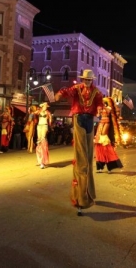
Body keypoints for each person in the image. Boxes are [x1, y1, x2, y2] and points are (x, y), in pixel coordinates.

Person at [54, 69, 104, 216]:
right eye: (85, 80)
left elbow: (100, 103)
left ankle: (89, 193)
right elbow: (66, 91)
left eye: (89, 80)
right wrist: (58, 95)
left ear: (92, 81)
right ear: (82, 80)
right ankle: (81, 198)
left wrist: (100, 110)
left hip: (89, 120)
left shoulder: (96, 91)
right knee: (82, 158)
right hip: (79, 118)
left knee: (88, 156)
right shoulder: (76, 89)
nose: (87, 82)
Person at [94, 97, 123, 173]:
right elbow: (97, 115)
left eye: (103, 102)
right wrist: (98, 110)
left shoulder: (108, 108)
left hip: (107, 122)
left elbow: (112, 114)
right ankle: (100, 167)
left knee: (104, 139)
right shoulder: (100, 108)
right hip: (101, 123)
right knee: (99, 147)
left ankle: (110, 167)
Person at [35, 102, 52, 169]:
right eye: (45, 106)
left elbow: (50, 120)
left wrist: (50, 126)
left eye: (46, 106)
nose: (46, 107)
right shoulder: (39, 111)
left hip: (45, 126)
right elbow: (32, 114)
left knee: (43, 139)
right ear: (42, 106)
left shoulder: (48, 112)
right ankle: (39, 160)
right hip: (39, 126)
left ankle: (42, 161)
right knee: (39, 141)